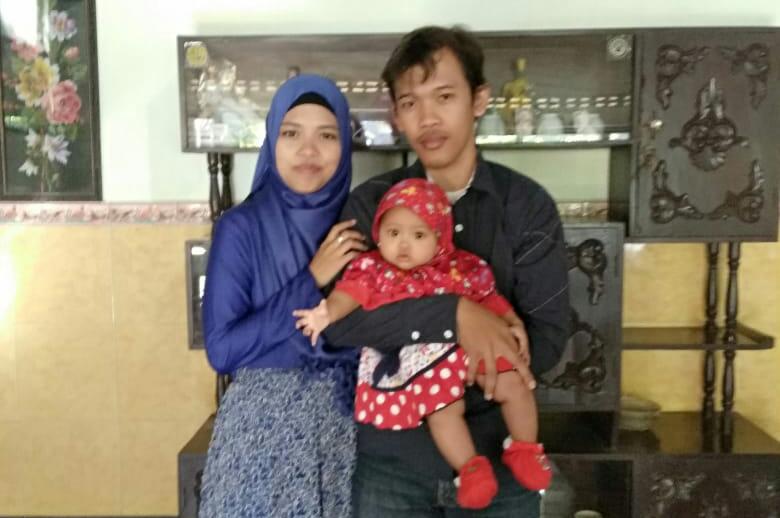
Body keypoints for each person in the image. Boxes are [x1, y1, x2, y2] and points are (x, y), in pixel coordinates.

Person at [322, 26, 570, 516]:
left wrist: (468, 360)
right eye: (410, 103)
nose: (428, 118)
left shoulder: (526, 206)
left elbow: (547, 337)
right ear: (396, 116)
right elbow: (341, 325)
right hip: (391, 466)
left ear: (479, 100)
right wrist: (456, 315)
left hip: (501, 465)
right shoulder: (371, 206)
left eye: (444, 96)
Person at [295, 178, 552, 510]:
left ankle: (525, 449)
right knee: (443, 412)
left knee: (514, 384)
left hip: (473, 353)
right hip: (423, 364)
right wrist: (325, 313)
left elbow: (489, 297)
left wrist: (511, 321)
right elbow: (349, 295)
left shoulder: (461, 267)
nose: (403, 245)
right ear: (378, 233)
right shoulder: (373, 270)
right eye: (393, 233)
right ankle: (471, 470)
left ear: (440, 238)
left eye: (418, 236)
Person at [198, 74, 367, 518]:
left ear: (344, 146)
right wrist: (312, 277)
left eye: (326, 136)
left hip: (348, 432)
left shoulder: (362, 226)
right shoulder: (240, 227)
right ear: (272, 141)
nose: (308, 151)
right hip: (261, 439)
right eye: (291, 134)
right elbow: (223, 350)